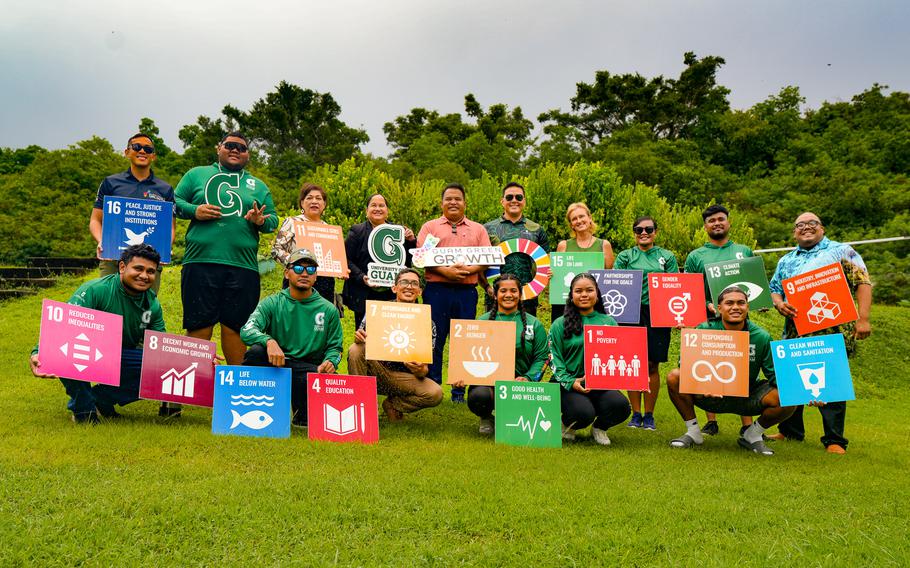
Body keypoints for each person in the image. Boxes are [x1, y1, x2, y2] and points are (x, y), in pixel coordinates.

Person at [767, 212, 873, 454]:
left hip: (833, 330)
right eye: (800, 225)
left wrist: (863, 318)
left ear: (822, 228)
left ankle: (834, 440)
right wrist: (779, 303)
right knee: (794, 381)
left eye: (812, 223)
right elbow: (775, 289)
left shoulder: (841, 251)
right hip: (796, 331)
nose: (806, 228)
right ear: (794, 232)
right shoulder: (786, 260)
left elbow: (863, 282)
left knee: (831, 382)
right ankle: (790, 431)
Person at [88, 132, 176, 417]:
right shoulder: (111, 183)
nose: (142, 151)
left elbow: (170, 227)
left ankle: (112, 389)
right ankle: (100, 383)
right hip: (115, 260)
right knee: (105, 322)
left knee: (141, 319)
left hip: (148, 265)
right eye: (136, 147)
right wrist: (101, 241)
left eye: (148, 148)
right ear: (127, 152)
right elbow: (95, 220)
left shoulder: (164, 188)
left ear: (154, 156)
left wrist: (165, 247)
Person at [173, 131, 278, 370]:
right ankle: (189, 387)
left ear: (248, 155)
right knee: (200, 325)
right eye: (229, 145)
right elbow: (173, 202)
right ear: (218, 148)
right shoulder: (196, 174)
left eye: (241, 148)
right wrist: (194, 210)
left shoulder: (258, 185)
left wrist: (260, 221)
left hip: (243, 267)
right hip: (200, 262)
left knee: (236, 327)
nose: (235, 150)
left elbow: (273, 220)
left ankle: (234, 388)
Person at [29, 244, 166, 424]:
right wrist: (38, 352)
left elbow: (162, 350)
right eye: (138, 268)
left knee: (162, 368)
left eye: (150, 271)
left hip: (121, 357)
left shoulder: (152, 304)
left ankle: (102, 398)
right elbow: (62, 327)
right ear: (122, 267)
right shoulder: (95, 290)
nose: (144, 276)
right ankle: (83, 409)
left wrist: (199, 362)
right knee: (68, 350)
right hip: (87, 351)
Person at [666, 286, 795, 456]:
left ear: (747, 307)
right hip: (708, 395)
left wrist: (804, 393)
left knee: (789, 395)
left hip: (746, 396)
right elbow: (687, 368)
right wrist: (704, 385)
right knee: (674, 376)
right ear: (719, 308)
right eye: (729, 303)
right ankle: (694, 432)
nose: (736, 307)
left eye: (741, 303)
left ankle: (753, 434)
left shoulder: (761, 336)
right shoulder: (703, 330)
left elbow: (775, 376)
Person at [240, 248, 343, 427]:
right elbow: (247, 330)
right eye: (298, 268)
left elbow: (335, 347)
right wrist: (268, 341)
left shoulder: (328, 309)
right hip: (277, 364)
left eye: (310, 270)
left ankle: (301, 412)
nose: (304, 273)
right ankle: (252, 408)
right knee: (256, 352)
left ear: (316, 276)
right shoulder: (272, 303)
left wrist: (331, 362)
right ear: (286, 273)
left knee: (309, 418)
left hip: (308, 369)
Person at [416, 183, 492, 403]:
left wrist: (468, 271)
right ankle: (433, 386)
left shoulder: (478, 229)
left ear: (465, 203)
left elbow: (486, 258)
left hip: (466, 292)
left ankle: (459, 392)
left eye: (457, 199)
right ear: (442, 203)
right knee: (434, 338)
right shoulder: (430, 227)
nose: (453, 202)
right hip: (437, 290)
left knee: (464, 341)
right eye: (448, 199)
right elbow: (421, 258)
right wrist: (446, 272)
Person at [684, 204, 755, 436]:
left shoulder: (744, 251)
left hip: (738, 320)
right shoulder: (696, 256)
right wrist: (707, 305)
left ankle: (747, 425)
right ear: (705, 226)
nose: (716, 223)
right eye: (711, 220)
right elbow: (689, 289)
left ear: (728, 222)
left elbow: (754, 285)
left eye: (720, 219)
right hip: (709, 318)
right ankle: (711, 420)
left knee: (741, 367)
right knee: (710, 368)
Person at [457, 274, 549, 434]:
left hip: (521, 384)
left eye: (513, 291)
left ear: (520, 295)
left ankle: (513, 416)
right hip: (489, 383)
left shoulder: (534, 324)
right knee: (479, 396)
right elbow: (468, 355)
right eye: (503, 291)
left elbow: (542, 357)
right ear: (495, 294)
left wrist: (528, 378)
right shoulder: (482, 322)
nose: (508, 295)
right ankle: (486, 417)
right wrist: (461, 375)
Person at [347, 268, 442, 421]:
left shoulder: (427, 323)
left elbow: (423, 371)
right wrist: (359, 338)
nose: (409, 287)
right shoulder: (378, 312)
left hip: (403, 379)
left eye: (414, 284)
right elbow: (361, 344)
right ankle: (361, 407)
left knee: (435, 393)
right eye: (404, 282)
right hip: (377, 371)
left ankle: (393, 405)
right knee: (356, 349)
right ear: (394, 288)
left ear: (420, 291)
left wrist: (419, 369)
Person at [549, 273, 631, 446]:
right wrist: (571, 381)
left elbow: (619, 355)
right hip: (568, 384)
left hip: (599, 383)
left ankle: (600, 427)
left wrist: (635, 380)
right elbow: (553, 358)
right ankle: (567, 424)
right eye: (578, 291)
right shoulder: (559, 323)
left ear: (597, 294)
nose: (584, 295)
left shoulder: (608, 322)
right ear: (571, 295)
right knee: (582, 413)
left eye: (589, 290)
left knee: (621, 406)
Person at [613, 216, 679, 431]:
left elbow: (675, 285)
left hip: (658, 313)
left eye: (648, 229)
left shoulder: (666, 257)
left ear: (655, 232)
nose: (643, 232)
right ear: (634, 232)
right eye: (638, 229)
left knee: (652, 364)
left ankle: (649, 415)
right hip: (630, 312)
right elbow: (615, 282)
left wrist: (678, 315)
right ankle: (636, 413)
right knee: (634, 362)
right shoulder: (624, 256)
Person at [341, 193, 417, 327]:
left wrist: (411, 241)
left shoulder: (398, 232)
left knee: (392, 329)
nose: (378, 208)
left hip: (392, 293)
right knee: (365, 333)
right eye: (373, 205)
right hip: (364, 293)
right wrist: (362, 277)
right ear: (366, 211)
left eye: (381, 205)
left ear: (387, 211)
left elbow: (408, 262)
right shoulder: (357, 231)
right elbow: (346, 259)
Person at [479, 182, 550, 316]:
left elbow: (545, 263)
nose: (514, 201)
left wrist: (539, 284)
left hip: (527, 297)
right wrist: (487, 287)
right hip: (495, 297)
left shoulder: (537, 229)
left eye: (518, 197)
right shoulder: (486, 229)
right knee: (494, 336)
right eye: (509, 197)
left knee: (524, 336)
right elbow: (479, 263)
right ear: (502, 201)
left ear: (524, 201)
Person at [272, 183, 340, 308]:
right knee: (293, 319)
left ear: (324, 204)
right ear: (302, 203)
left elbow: (335, 258)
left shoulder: (330, 230)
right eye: (309, 198)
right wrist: (296, 263)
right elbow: (276, 250)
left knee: (320, 322)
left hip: (324, 284)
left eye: (318, 198)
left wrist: (340, 269)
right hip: (297, 277)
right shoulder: (293, 222)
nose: (314, 201)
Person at [553, 202, 615, 321]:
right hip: (567, 304)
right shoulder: (563, 246)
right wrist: (552, 273)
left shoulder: (604, 245)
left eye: (582, 216)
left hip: (594, 305)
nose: (579, 221)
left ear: (589, 218)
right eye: (574, 219)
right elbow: (558, 275)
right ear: (571, 224)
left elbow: (608, 276)